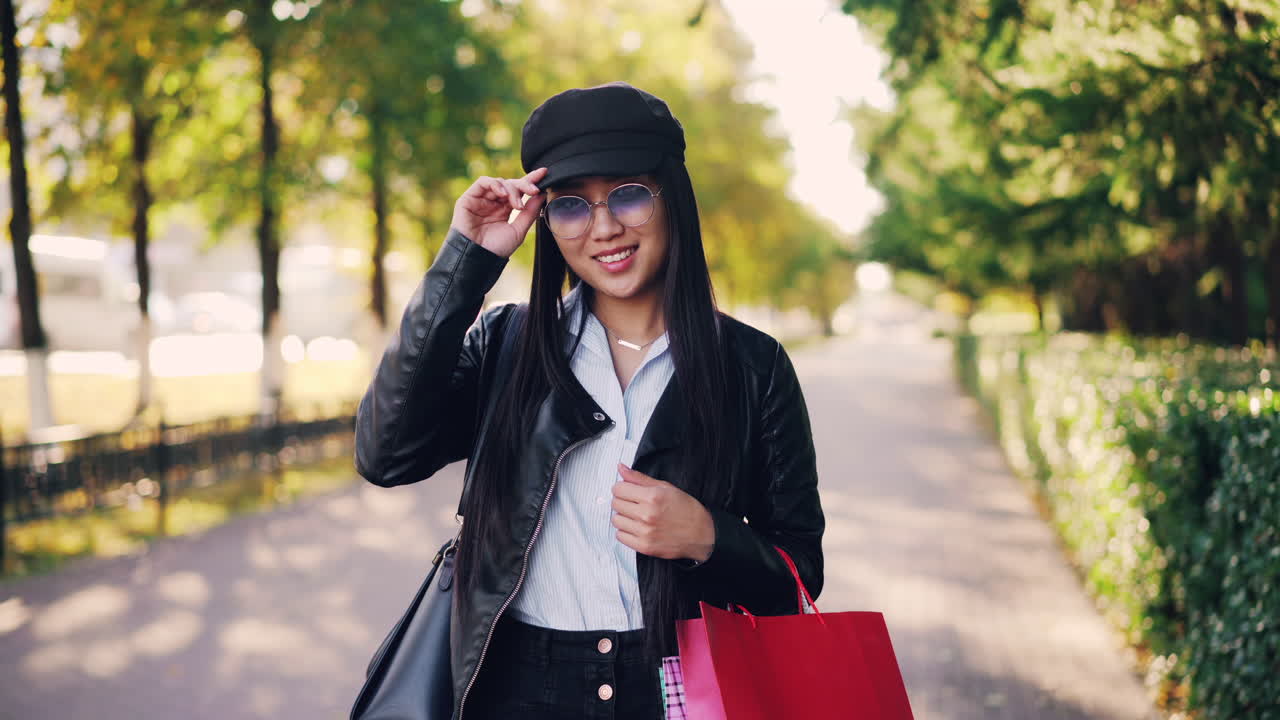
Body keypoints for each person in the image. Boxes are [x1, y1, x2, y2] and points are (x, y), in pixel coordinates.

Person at [354, 81, 825, 720]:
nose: (604, 228)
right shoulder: (508, 346)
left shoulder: (753, 366)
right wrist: (466, 262)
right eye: (572, 205)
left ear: (672, 199)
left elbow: (799, 575)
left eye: (628, 195)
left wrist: (709, 536)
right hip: (516, 688)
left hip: (679, 689)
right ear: (546, 218)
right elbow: (386, 453)